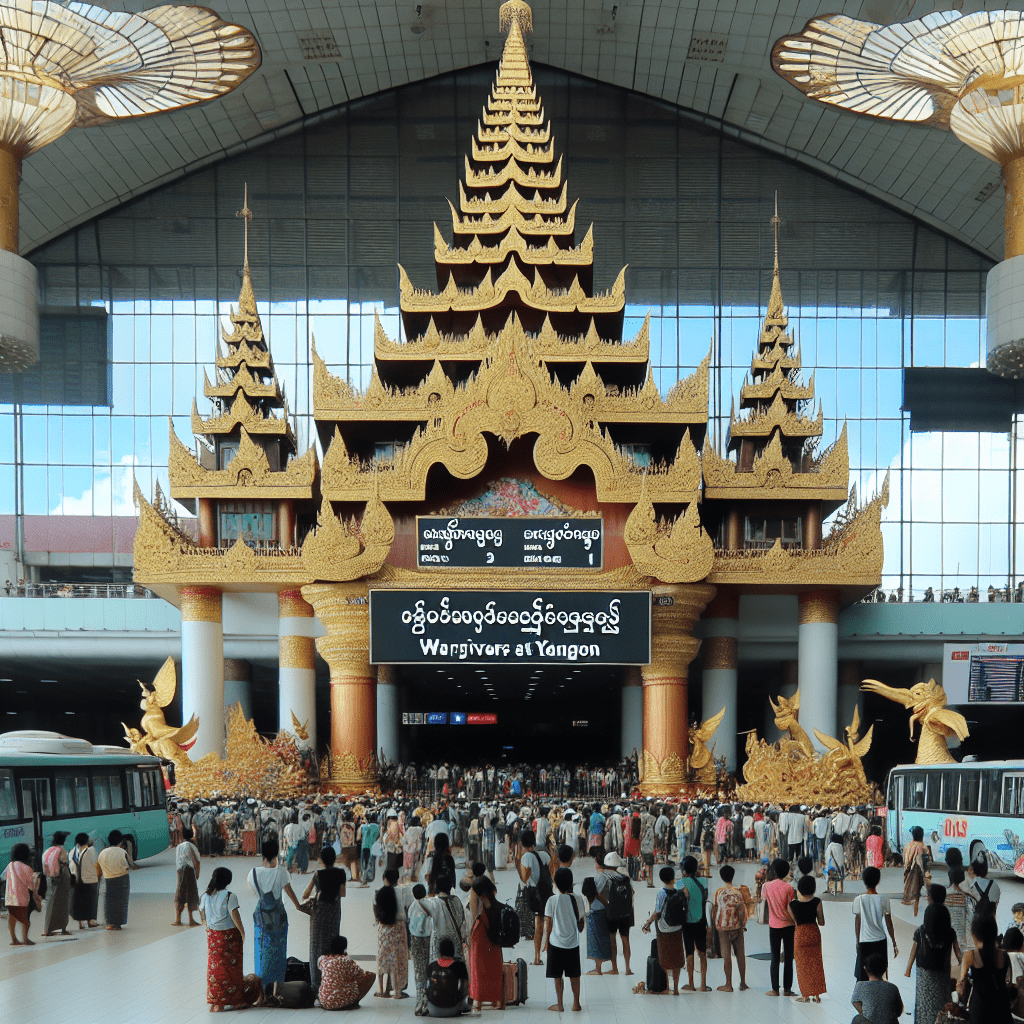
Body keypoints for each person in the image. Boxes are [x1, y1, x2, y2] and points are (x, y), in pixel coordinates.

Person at [200, 866, 264, 1012]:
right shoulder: (230, 896)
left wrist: (209, 927)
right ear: (228, 880)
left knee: (216, 968)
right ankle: (235, 998)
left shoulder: (205, 896)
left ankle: (217, 999)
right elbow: (236, 918)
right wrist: (242, 933)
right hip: (229, 937)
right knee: (232, 969)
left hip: (213, 937)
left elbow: (203, 916)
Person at [247, 837, 302, 988]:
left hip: (261, 916)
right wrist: (298, 906)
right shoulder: (281, 872)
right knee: (278, 950)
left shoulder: (253, 873)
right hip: (278, 916)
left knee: (261, 948)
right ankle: (276, 988)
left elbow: (254, 892)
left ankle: (261, 986)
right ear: (276, 853)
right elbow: (289, 892)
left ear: (262, 854)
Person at [904, 883, 960, 1024]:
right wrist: (963, 965)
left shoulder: (921, 932)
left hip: (924, 974)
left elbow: (914, 949)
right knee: (941, 1004)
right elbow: (958, 952)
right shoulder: (950, 933)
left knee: (924, 1005)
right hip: (943, 972)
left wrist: (908, 968)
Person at [302, 844, 347, 998]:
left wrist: (317, 893)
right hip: (334, 911)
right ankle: (332, 981)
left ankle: (316, 986)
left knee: (316, 946)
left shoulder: (317, 875)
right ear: (334, 859)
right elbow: (343, 893)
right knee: (332, 944)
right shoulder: (341, 873)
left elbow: (304, 894)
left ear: (321, 859)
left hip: (319, 913)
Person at [542, 867, 585, 1012]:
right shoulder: (578, 899)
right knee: (574, 975)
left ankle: (560, 1004)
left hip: (555, 943)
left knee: (557, 976)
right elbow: (581, 926)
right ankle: (576, 1003)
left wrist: (545, 943)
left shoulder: (552, 900)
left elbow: (548, 926)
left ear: (555, 883)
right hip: (573, 943)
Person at [957, 914, 1012, 1024]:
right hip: (1002, 1009)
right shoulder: (1004, 956)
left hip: (980, 1010)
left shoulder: (970, 956)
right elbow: (1008, 981)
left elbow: (961, 987)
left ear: (974, 934)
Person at [642, 866, 684, 996]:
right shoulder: (678, 892)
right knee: (676, 957)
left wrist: (647, 923)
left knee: (664, 957)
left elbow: (657, 912)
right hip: (677, 928)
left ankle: (667, 986)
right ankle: (676, 988)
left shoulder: (662, 893)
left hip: (664, 928)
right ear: (672, 878)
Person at [854, 866, 897, 980]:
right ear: (878, 881)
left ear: (863, 881)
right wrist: (894, 942)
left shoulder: (858, 899)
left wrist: (857, 941)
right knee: (879, 974)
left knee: (863, 975)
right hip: (880, 941)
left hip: (864, 941)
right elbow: (889, 923)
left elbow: (857, 923)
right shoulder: (884, 899)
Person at [787, 873, 825, 1003]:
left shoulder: (792, 905)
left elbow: (795, 922)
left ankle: (805, 995)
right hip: (814, 933)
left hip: (800, 934)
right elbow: (821, 922)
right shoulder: (817, 902)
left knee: (802, 965)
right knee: (816, 963)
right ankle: (817, 995)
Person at [468, 875, 504, 1013]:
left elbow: (473, 915)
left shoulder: (478, 901)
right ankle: (498, 1000)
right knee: (495, 968)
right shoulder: (494, 901)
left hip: (480, 938)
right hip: (494, 941)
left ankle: (478, 1000)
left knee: (478, 970)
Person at [514, 827, 549, 966]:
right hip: (546, 892)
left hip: (535, 894)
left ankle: (536, 957)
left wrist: (517, 861)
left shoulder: (526, 857)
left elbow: (524, 878)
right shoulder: (544, 855)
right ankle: (546, 950)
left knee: (538, 925)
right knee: (548, 923)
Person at [762, 856, 796, 997]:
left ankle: (775, 989)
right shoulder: (789, 888)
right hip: (789, 925)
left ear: (774, 871)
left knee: (775, 957)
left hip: (774, 925)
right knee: (788, 957)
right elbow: (791, 907)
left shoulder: (766, 886)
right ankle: (787, 989)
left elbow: (765, 904)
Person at [373, 869, 408, 999]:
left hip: (384, 929)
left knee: (382, 958)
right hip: (398, 928)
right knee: (397, 961)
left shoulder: (378, 892)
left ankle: (382, 990)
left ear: (383, 877)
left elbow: (376, 909)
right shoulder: (401, 892)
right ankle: (397, 992)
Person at [676, 855, 710, 992]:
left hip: (687, 922)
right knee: (702, 953)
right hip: (701, 921)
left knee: (689, 952)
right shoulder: (704, 882)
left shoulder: (680, 883)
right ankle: (703, 984)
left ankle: (690, 984)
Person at [713, 864, 748, 992]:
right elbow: (742, 911)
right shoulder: (738, 892)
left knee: (726, 955)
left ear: (722, 877)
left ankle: (728, 984)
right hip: (737, 927)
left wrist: (716, 925)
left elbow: (716, 910)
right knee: (740, 954)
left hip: (723, 928)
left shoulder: (719, 892)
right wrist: (742, 924)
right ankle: (743, 982)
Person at [599, 851, 634, 976]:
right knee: (625, 939)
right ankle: (628, 968)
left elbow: (601, 893)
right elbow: (632, 893)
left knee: (612, 940)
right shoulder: (624, 877)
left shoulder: (605, 876)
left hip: (612, 913)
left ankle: (615, 968)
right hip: (625, 913)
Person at [318, 935, 376, 1010]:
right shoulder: (346, 960)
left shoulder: (322, 959)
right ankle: (354, 1003)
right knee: (371, 976)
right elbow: (361, 975)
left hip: (324, 1002)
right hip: (344, 1002)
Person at [852, 952, 904, 1024]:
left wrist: (866, 1014)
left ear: (865, 969)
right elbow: (898, 1011)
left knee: (857, 1018)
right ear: (885, 969)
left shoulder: (860, 985)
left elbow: (854, 1002)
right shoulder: (893, 988)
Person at [96, 829, 131, 930]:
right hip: (122, 879)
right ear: (120, 841)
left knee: (109, 901)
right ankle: (118, 923)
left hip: (108, 878)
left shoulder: (102, 853)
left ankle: (109, 923)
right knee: (121, 901)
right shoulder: (122, 852)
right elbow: (130, 864)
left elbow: (99, 868)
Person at [426, 937, 470, 1017]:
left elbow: (428, 987)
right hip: (452, 1009)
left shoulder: (432, 966)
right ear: (453, 950)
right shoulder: (460, 965)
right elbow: (466, 988)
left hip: (433, 1009)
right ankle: (463, 1006)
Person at [4, 842, 38, 946]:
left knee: (12, 917)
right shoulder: (27, 868)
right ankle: (25, 939)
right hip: (21, 897)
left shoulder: (10, 865)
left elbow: (4, 877)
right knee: (25, 920)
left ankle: (14, 939)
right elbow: (30, 884)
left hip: (10, 897)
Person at [40, 831, 72, 936]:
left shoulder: (48, 851)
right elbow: (65, 866)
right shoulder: (62, 851)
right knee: (63, 904)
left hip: (50, 879)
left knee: (50, 903)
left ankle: (47, 929)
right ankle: (62, 928)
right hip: (61, 879)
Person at [409, 883, 434, 1016]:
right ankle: (428, 1001)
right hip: (428, 939)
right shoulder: (429, 904)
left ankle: (420, 1002)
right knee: (428, 969)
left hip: (415, 940)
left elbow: (409, 921)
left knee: (419, 972)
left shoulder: (413, 905)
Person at [581, 875, 611, 975]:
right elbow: (606, 904)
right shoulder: (599, 897)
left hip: (593, 918)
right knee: (601, 941)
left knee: (595, 943)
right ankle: (599, 968)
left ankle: (598, 970)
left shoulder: (588, 899)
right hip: (603, 916)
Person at [69, 833, 99, 929]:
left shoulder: (72, 852)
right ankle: (91, 921)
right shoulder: (91, 850)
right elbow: (96, 864)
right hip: (90, 879)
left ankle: (80, 922)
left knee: (80, 901)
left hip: (77, 880)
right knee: (91, 901)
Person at [173, 825, 201, 927]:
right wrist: (197, 873)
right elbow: (196, 861)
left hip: (180, 871)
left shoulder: (179, 846)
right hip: (188, 871)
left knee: (179, 893)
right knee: (191, 894)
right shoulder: (190, 846)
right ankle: (191, 920)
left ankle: (178, 919)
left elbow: (178, 861)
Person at [903, 825, 929, 916]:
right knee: (918, 893)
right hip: (918, 872)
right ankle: (916, 912)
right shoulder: (923, 847)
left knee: (913, 892)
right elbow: (925, 863)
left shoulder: (908, 845)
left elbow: (905, 859)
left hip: (908, 871)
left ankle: (915, 912)